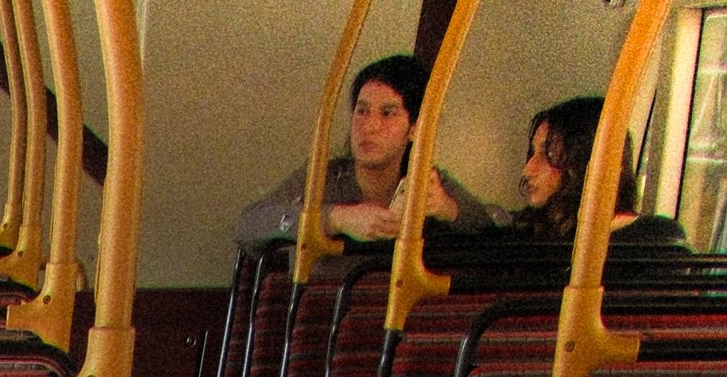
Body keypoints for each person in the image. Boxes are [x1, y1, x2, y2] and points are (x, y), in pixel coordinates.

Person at [236, 52, 490, 254]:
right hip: (326, 311)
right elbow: (249, 224)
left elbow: (497, 223)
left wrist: (448, 209)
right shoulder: (323, 176)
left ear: (414, 129)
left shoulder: (428, 182)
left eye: (388, 113)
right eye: (362, 111)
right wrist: (335, 219)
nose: (369, 127)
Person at [509, 94, 686, 251]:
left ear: (592, 161)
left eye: (550, 154)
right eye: (533, 153)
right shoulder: (521, 238)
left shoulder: (657, 243)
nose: (528, 170)